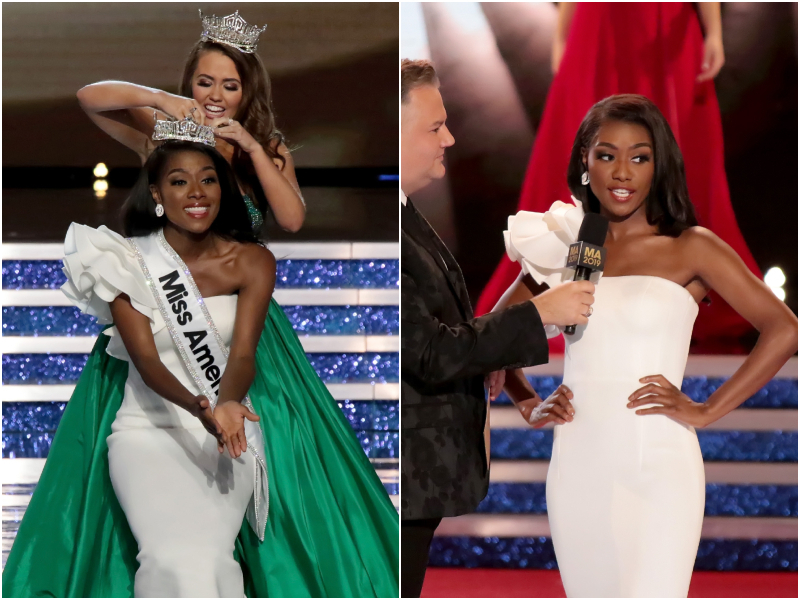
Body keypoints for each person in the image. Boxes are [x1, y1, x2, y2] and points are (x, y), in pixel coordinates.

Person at [3, 121, 398, 600]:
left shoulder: (252, 262)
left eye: (208, 179)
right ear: (156, 193)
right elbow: (147, 362)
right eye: (178, 181)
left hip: (227, 435)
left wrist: (227, 402)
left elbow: (246, 352)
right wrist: (202, 407)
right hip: (147, 434)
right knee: (168, 558)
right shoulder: (125, 260)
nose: (196, 192)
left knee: (211, 559)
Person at [494, 94, 798, 597]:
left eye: (640, 156)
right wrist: (527, 403)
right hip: (578, 466)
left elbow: (783, 327)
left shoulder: (690, 246)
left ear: (659, 166)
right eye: (606, 154)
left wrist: (706, 409)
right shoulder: (578, 245)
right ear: (584, 163)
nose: (622, 172)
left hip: (659, 467)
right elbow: (490, 333)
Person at [400, 58, 596, 598]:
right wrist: (540, 317)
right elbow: (433, 350)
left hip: (432, 469)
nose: (451, 137)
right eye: (435, 126)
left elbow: (458, 333)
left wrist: (515, 384)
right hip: (402, 473)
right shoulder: (388, 227)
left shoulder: (408, 217)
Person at [477, 2, 761, 355]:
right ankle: (569, 300)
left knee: (672, 152)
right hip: (598, 23)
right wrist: (563, 37)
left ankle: (669, 300)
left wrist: (714, 32)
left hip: (662, 25)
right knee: (593, 152)